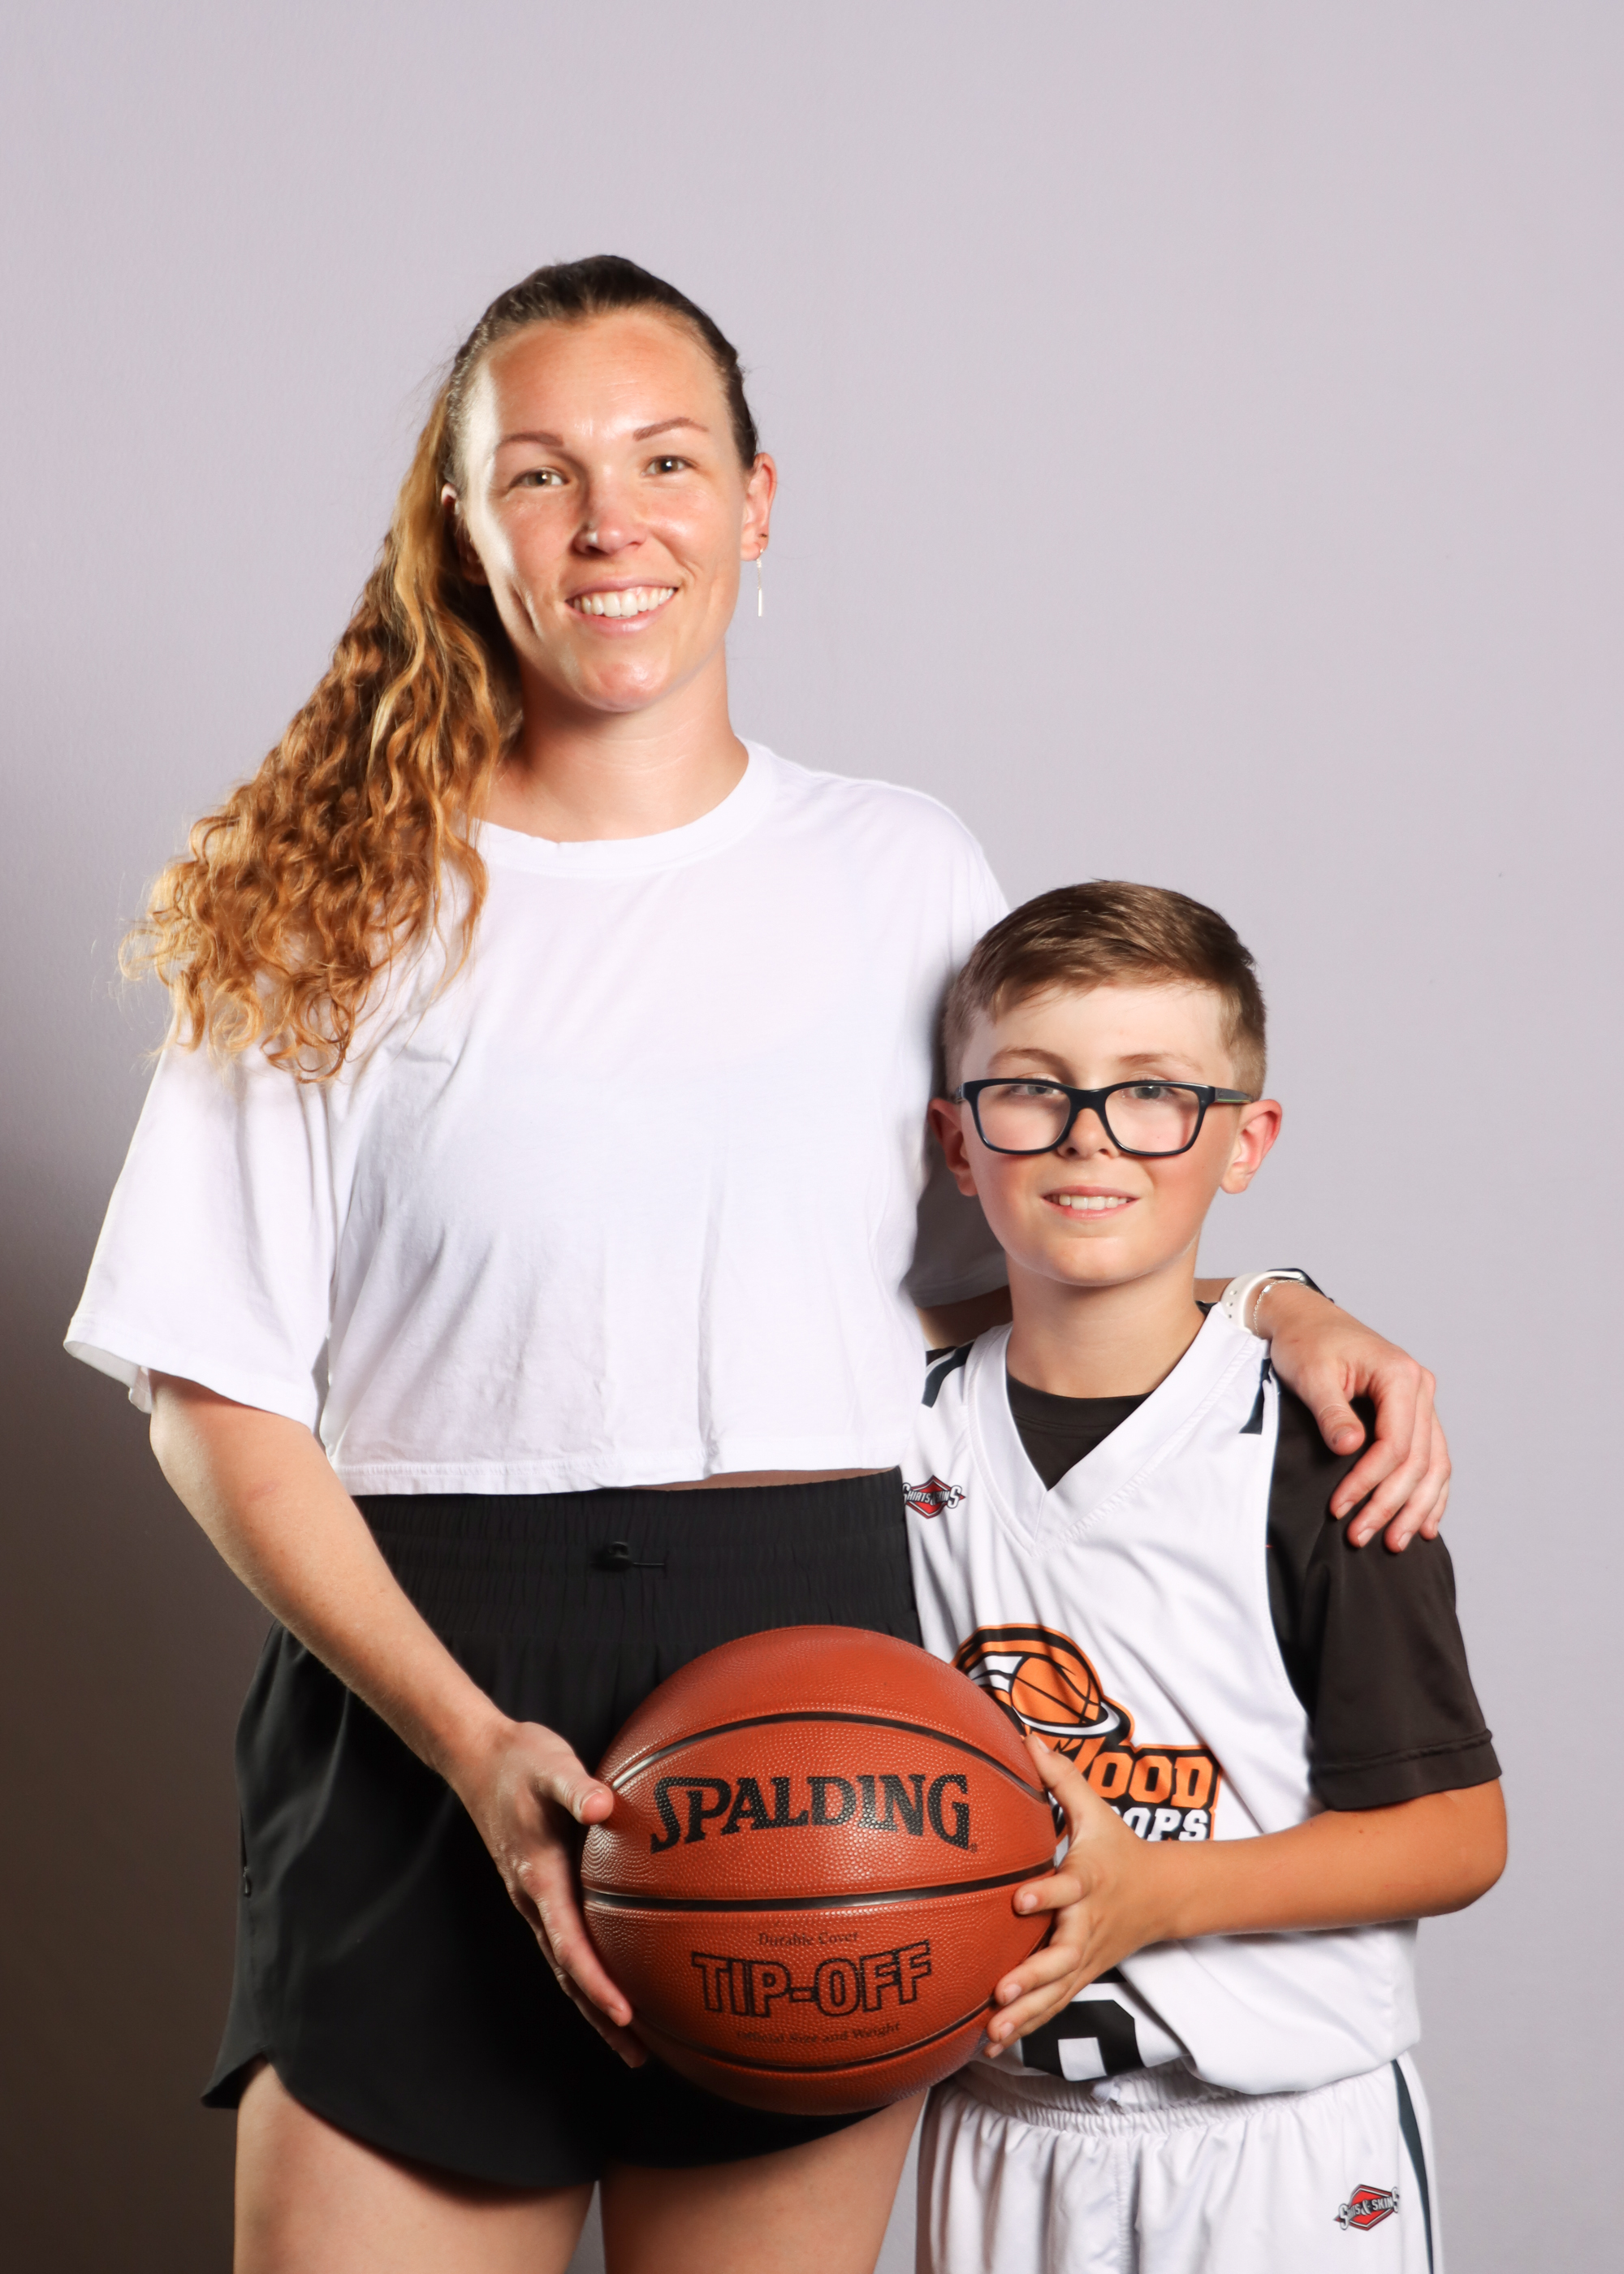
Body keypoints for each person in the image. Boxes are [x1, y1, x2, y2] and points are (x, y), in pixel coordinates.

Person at [66, 258, 1450, 2274]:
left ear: (756, 500)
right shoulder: (327, 899)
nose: (608, 523)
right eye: (539, 473)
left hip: (818, 1701)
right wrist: (469, 1740)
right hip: (427, 1700)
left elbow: (1044, 1235)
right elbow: (214, 1392)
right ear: (463, 525)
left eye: (664, 460)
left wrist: (1276, 1306)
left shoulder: (900, 873)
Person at [905, 880, 1505, 2274]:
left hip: (1279, 2145)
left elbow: (1458, 1835)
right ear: (957, 1141)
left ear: (1244, 1142)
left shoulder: (1325, 1440)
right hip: (999, 2130)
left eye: (1154, 1094)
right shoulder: (895, 1428)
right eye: (1031, 1089)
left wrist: (1158, 1893)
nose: (1089, 1136)